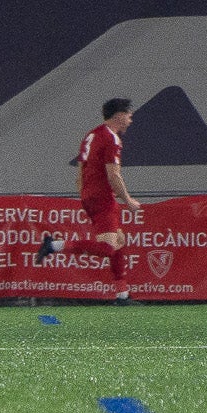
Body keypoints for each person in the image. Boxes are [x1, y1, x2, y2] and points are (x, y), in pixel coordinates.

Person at [34, 98, 140, 303]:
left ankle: (122, 294)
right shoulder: (111, 138)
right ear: (119, 115)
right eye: (129, 116)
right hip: (102, 198)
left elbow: (82, 166)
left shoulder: (93, 134)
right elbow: (114, 174)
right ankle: (54, 245)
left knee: (119, 241)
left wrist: (84, 190)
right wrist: (128, 200)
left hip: (92, 196)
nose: (130, 120)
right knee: (108, 248)